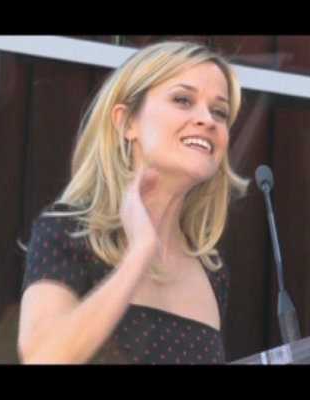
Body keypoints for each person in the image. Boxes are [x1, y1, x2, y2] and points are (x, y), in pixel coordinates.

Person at [17, 40, 249, 364]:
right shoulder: (67, 232)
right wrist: (140, 252)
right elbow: (43, 357)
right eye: (183, 100)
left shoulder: (212, 272)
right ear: (128, 122)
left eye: (219, 112)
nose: (207, 120)